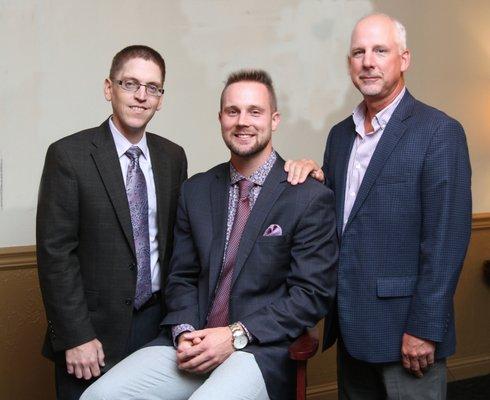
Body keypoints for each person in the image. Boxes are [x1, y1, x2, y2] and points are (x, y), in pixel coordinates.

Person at [80, 69, 338, 400]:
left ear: (274, 120)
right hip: (192, 341)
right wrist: (184, 330)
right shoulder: (197, 191)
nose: (242, 121)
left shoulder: (307, 196)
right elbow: (182, 277)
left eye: (254, 111)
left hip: (257, 349)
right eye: (233, 111)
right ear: (220, 118)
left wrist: (234, 335)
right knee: (98, 397)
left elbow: (310, 296)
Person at [285, 13, 472, 399]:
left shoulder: (439, 132)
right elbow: (347, 222)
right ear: (349, 63)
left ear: (404, 59)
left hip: (408, 335)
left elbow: (446, 240)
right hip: (351, 328)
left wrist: (424, 327)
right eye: (358, 52)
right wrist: (316, 182)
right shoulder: (340, 136)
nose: (368, 61)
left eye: (380, 50)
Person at [36, 45, 187, 400]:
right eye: (130, 83)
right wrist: (75, 336)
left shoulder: (172, 157)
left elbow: (178, 244)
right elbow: (55, 254)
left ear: (161, 99)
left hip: (156, 327)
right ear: (109, 89)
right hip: (91, 337)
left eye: (152, 87)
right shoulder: (69, 156)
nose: (141, 96)